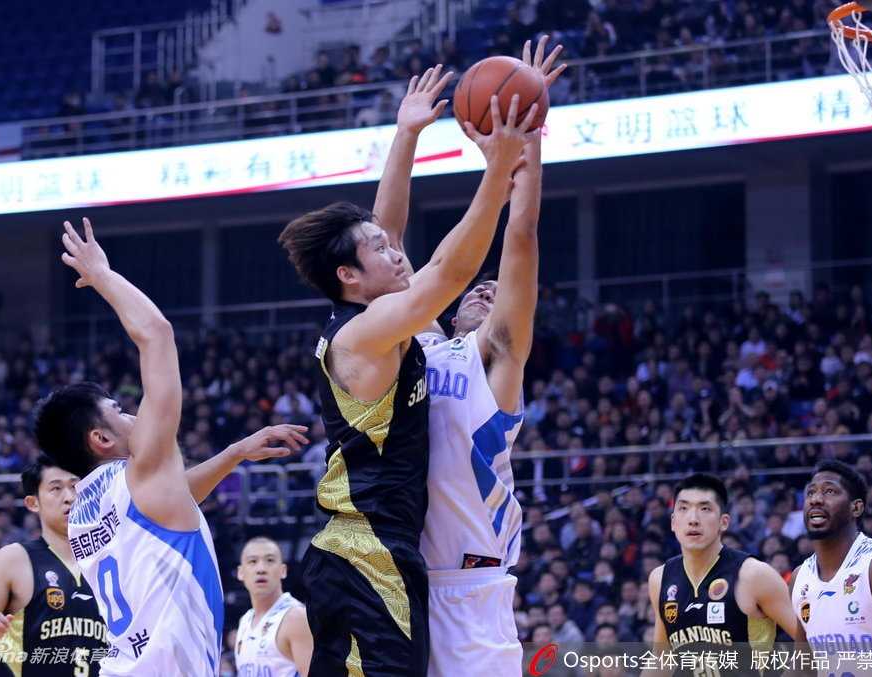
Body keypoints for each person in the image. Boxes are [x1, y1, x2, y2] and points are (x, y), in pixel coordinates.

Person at [278, 64, 537, 675]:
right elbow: (447, 272)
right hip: (366, 553)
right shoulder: (366, 334)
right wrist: (499, 169)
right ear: (349, 276)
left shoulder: (407, 332)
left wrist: (407, 133)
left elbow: (389, 229)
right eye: (380, 253)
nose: (396, 255)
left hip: (406, 560)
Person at [36, 218, 308, 676]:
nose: (132, 415)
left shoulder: (87, 508)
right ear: (101, 439)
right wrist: (102, 275)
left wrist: (233, 454)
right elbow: (157, 333)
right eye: (119, 411)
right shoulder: (141, 472)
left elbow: (172, 502)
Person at [393, 38, 563, 677]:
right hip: (402, 581)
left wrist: (530, 139)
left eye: (497, 291)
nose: (488, 289)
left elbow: (521, 237)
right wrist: (407, 136)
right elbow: (386, 243)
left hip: (472, 590)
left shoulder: (497, 361)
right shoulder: (417, 341)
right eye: (477, 287)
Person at [649, 474, 803, 675]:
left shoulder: (754, 574)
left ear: (724, 522)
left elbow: (812, 644)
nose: (693, 520)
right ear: (673, 522)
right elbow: (661, 660)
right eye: (683, 509)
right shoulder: (660, 578)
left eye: (705, 509)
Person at [0, 456, 108, 676]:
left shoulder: (113, 559)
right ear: (32, 503)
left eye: (75, 486)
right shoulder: (13, 560)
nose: (70, 497)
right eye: (56, 488)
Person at [792, 460, 872, 672]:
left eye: (829, 491)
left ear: (856, 507)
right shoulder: (800, 578)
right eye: (811, 492)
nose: (815, 499)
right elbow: (803, 668)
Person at [235, 537, 312, 677]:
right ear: (240, 573)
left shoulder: (296, 617)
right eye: (253, 561)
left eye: (269, 560)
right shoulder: (244, 621)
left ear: (283, 570)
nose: (261, 569)